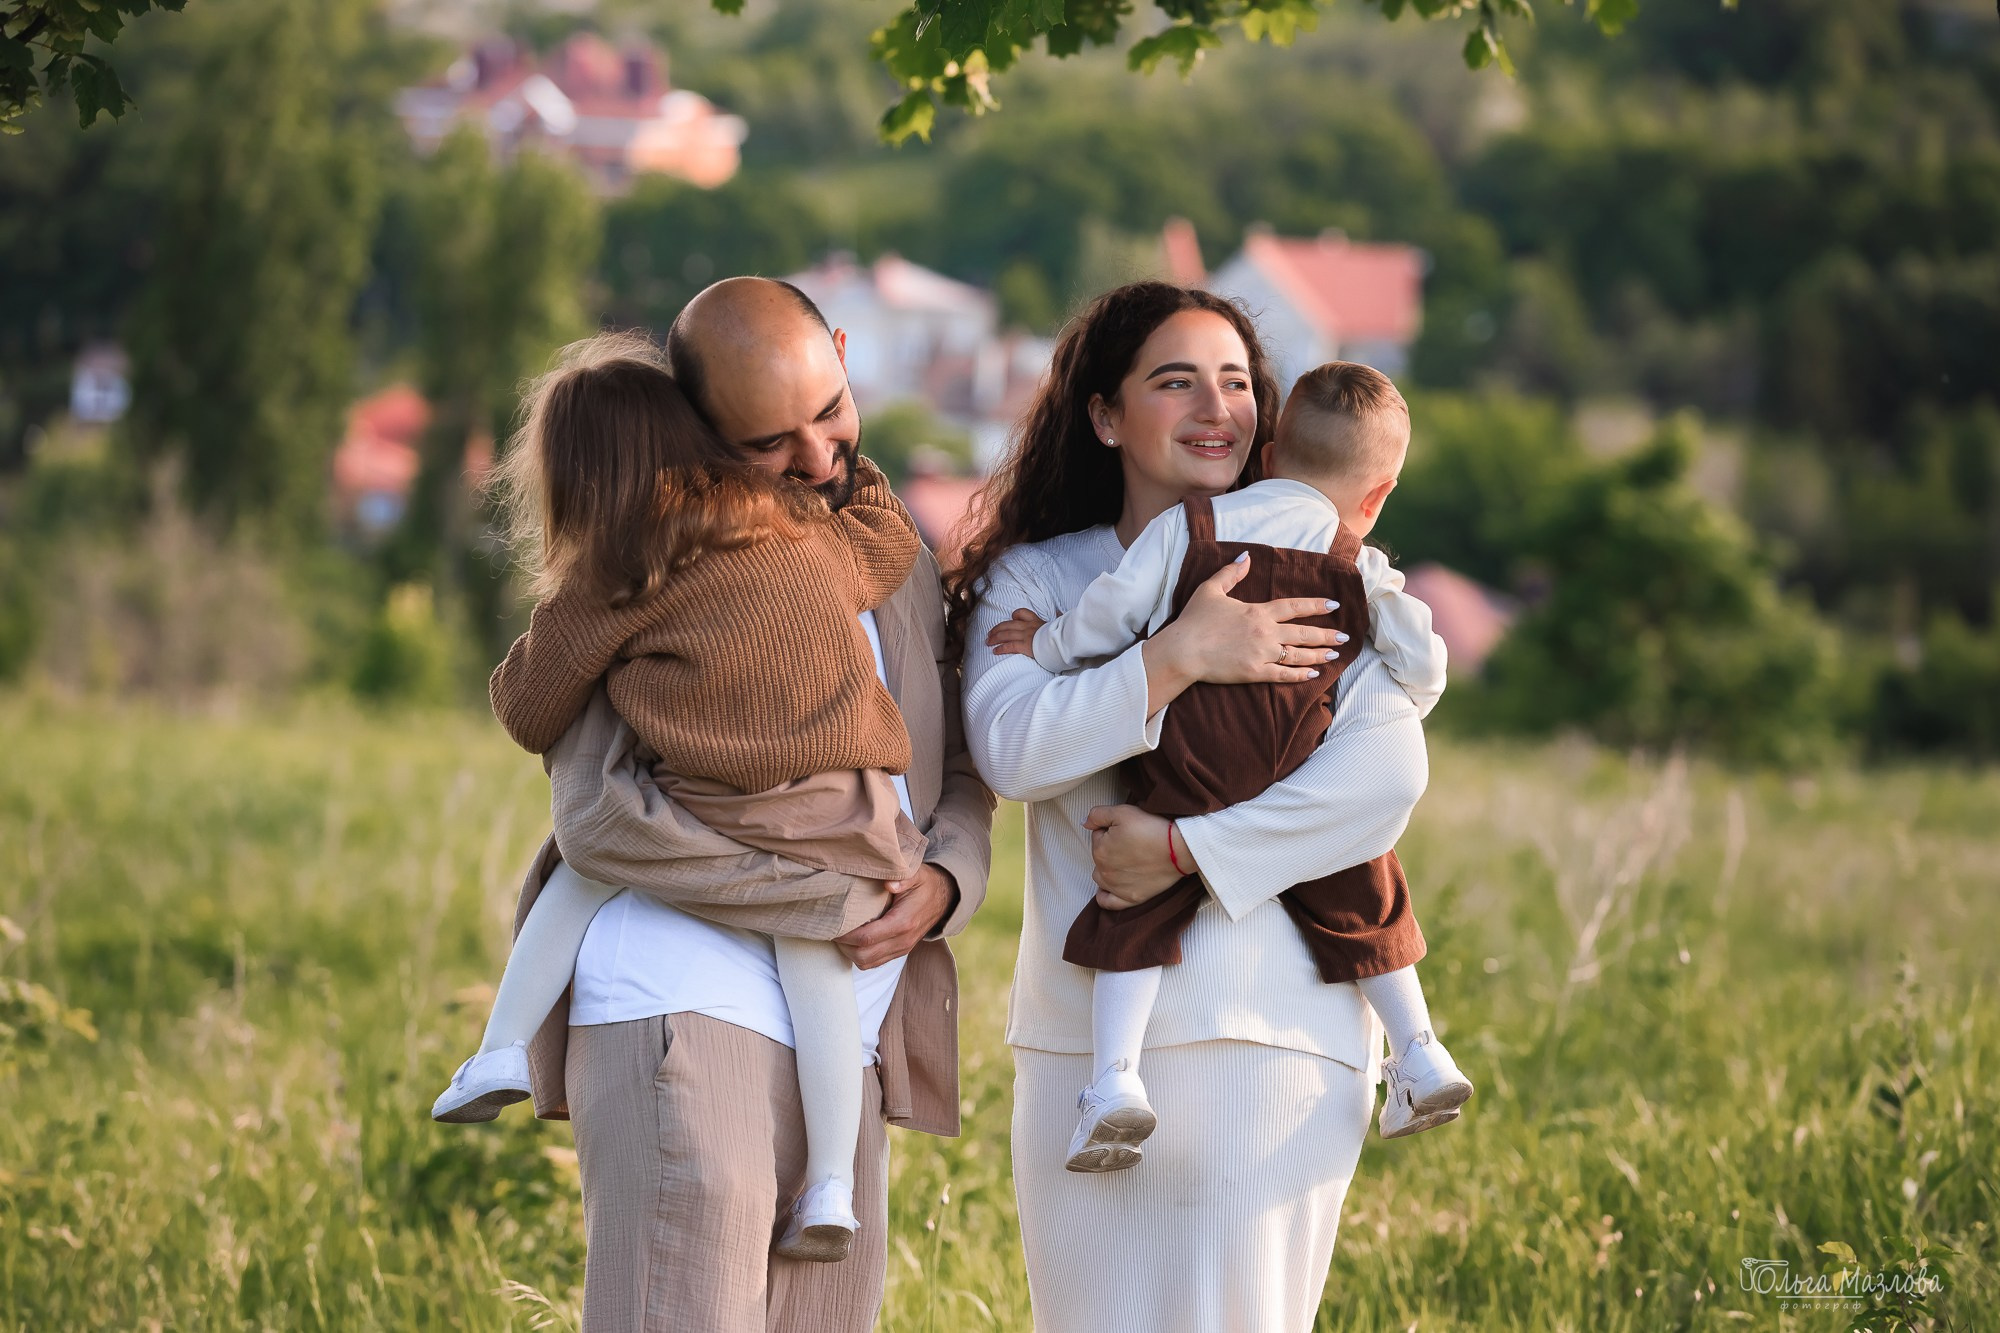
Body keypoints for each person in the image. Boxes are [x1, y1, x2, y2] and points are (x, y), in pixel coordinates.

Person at [493, 279, 993, 1332]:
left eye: (829, 411)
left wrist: (944, 880)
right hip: (685, 1002)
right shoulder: (653, 556)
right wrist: (815, 897)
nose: (817, 456)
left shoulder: (883, 546)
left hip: (842, 1027)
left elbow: (957, 761)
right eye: (769, 441)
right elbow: (596, 818)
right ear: (697, 431)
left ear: (846, 355)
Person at [952, 281, 1429, 1331]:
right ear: (1105, 416)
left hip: (1272, 1032)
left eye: (1235, 383)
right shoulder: (1037, 579)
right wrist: (1172, 658)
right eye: (1175, 382)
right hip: (1085, 1056)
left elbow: (1381, 782)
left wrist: (1183, 850)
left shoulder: (1328, 569)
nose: (1216, 408)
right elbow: (1012, 750)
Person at [431, 333, 931, 1263]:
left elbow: (529, 709)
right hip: (843, 818)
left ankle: (501, 1045)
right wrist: (860, 475)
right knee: (818, 964)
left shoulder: (619, 575)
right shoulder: (807, 536)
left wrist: (562, 619)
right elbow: (891, 540)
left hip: (711, 804)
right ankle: (829, 1182)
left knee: (577, 875)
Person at [987, 360, 1473, 1171]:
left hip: (1199, 759)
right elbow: (1424, 663)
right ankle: (1420, 1051)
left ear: (1272, 451)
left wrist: (1044, 641)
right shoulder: (1359, 560)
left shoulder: (1194, 527)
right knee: (1361, 880)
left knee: (1133, 905)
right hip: (1301, 757)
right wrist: (1412, 689)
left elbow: (1111, 612)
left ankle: (1113, 1080)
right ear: (1378, 493)